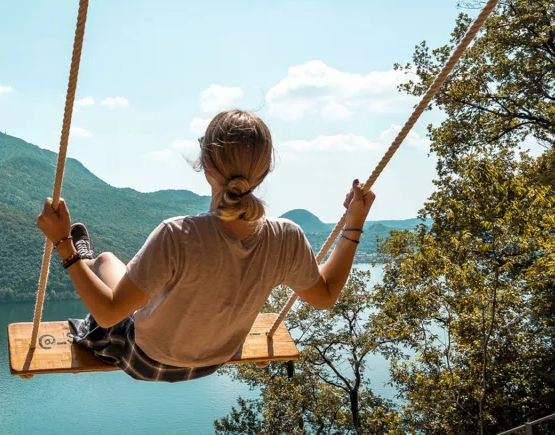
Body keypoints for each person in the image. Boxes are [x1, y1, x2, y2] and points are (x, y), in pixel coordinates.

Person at [36, 109, 376, 382]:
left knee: (108, 264)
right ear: (265, 170)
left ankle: (85, 258)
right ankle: (94, 263)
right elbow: (326, 294)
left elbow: (109, 312)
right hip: (215, 360)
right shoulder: (286, 237)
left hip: (147, 361)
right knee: (127, 273)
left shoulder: (178, 235)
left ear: (206, 165)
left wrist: (63, 244)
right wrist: (354, 223)